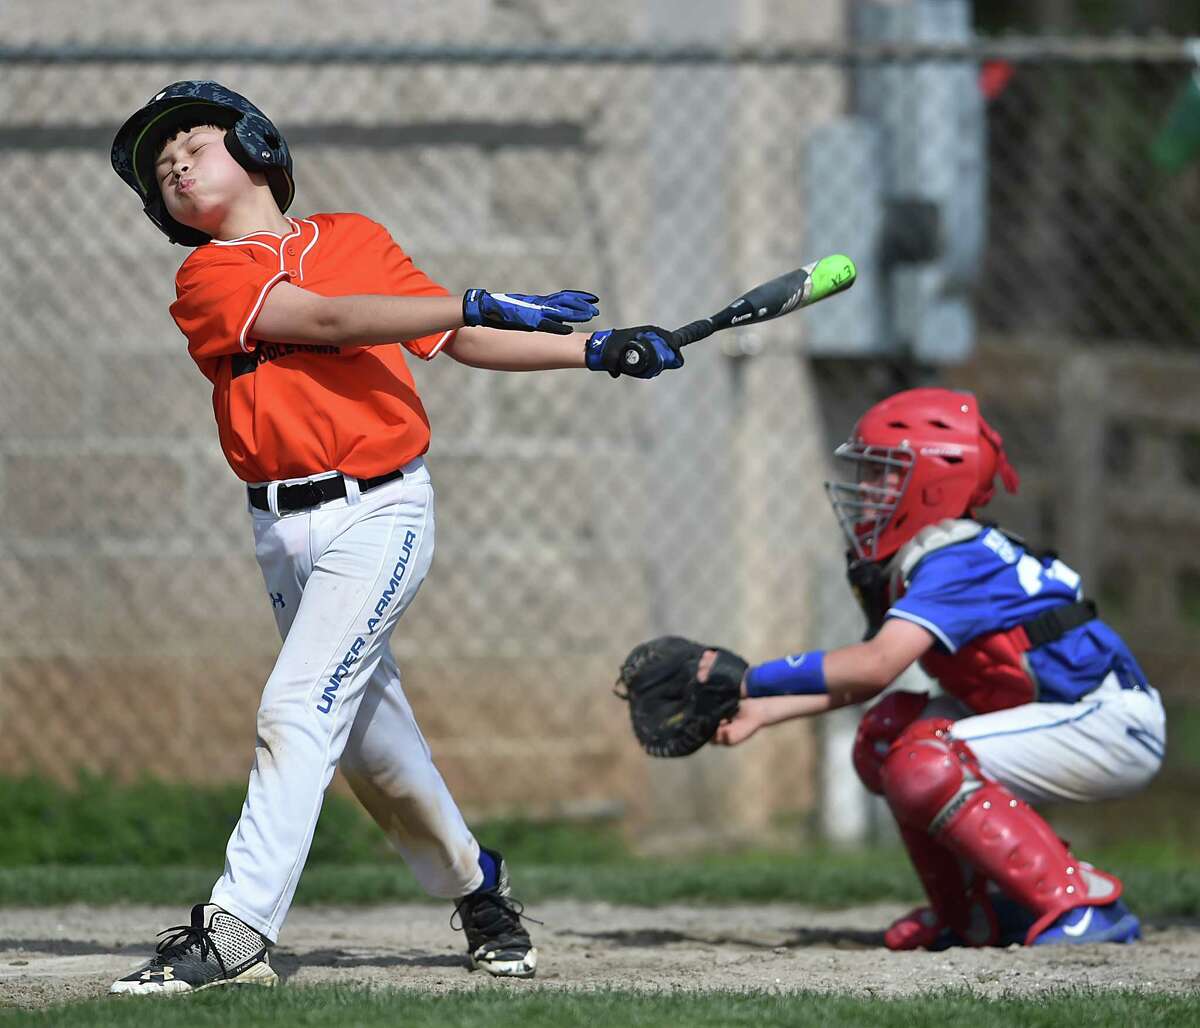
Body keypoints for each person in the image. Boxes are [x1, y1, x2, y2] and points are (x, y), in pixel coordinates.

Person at [107, 80, 684, 995]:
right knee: (378, 755)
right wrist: (470, 301)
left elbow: (454, 341)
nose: (175, 164)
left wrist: (595, 347)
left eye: (194, 144)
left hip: (381, 509)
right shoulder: (208, 276)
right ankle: (478, 887)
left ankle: (237, 930)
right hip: (282, 529)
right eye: (162, 169)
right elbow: (327, 320)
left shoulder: (352, 240)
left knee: (296, 709)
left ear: (257, 146)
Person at [709, 386, 1165, 950]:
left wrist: (748, 675)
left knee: (925, 762)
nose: (865, 489)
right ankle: (971, 918)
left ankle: (1081, 903)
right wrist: (757, 710)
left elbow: (875, 666)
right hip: (1051, 713)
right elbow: (863, 679)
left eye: (885, 473)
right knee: (885, 739)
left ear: (934, 481)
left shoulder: (958, 559)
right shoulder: (930, 555)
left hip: (1107, 722)